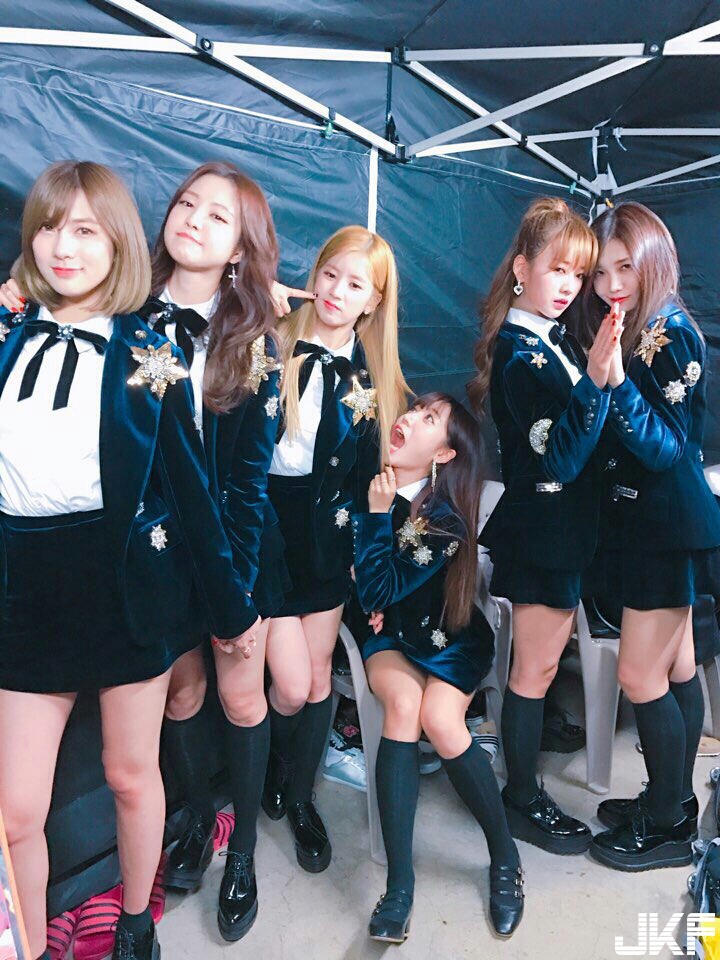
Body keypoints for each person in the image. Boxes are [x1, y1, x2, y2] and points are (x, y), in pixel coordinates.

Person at [0, 161, 260, 960]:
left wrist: (233, 611)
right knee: (15, 812)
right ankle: (29, 945)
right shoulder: (6, 337)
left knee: (129, 774)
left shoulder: (149, 355)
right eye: (49, 227)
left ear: (117, 242)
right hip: (24, 598)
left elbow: (193, 495)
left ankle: (138, 923)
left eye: (84, 230)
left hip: (125, 596)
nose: (62, 247)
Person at [469, 196, 619, 855]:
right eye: (558, 269)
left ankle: (526, 774)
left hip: (564, 528)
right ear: (521, 268)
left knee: (543, 665)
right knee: (532, 670)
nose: (569, 286)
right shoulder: (517, 353)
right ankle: (522, 798)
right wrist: (595, 382)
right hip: (541, 531)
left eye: (578, 275)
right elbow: (555, 457)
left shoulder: (550, 339)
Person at [262, 225, 409, 873]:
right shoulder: (271, 341)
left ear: (373, 302)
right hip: (267, 524)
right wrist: (252, 304)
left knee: (318, 677)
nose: (336, 292)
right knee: (291, 686)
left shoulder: (372, 379)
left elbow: (369, 478)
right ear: (314, 273)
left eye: (355, 285)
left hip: (326, 534)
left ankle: (300, 796)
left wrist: (365, 557)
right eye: (330, 274)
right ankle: (269, 762)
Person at [353, 393, 523, 942]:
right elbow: (362, 587)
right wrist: (373, 591)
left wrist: (376, 528)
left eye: (429, 420)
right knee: (404, 707)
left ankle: (505, 856)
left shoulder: (444, 517)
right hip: (391, 635)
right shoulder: (364, 482)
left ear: (445, 454)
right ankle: (399, 887)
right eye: (415, 409)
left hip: (450, 637)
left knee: (442, 721)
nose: (409, 418)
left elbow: (377, 584)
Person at [584, 201, 720, 871]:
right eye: (602, 271)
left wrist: (613, 382)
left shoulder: (670, 335)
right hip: (660, 523)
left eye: (625, 268)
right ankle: (673, 799)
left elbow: (666, 448)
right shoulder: (646, 325)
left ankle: (667, 825)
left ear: (653, 262)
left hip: (665, 525)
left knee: (640, 674)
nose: (611, 284)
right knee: (678, 667)